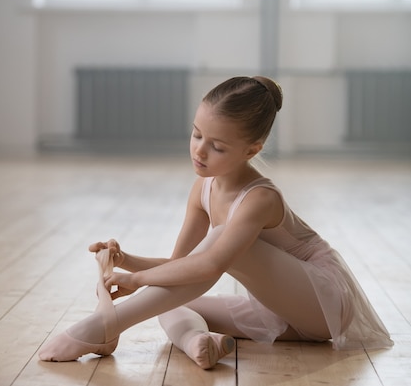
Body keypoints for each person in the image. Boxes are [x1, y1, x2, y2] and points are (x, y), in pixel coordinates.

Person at [39, 76, 393, 368]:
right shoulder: (202, 189)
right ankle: (198, 341)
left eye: (217, 146)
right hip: (283, 311)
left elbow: (211, 263)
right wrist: (127, 261)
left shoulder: (260, 199)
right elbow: (183, 266)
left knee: (220, 242)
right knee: (172, 302)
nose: (199, 151)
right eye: (196, 135)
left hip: (324, 303)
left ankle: (104, 325)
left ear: (252, 150)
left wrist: (137, 279)